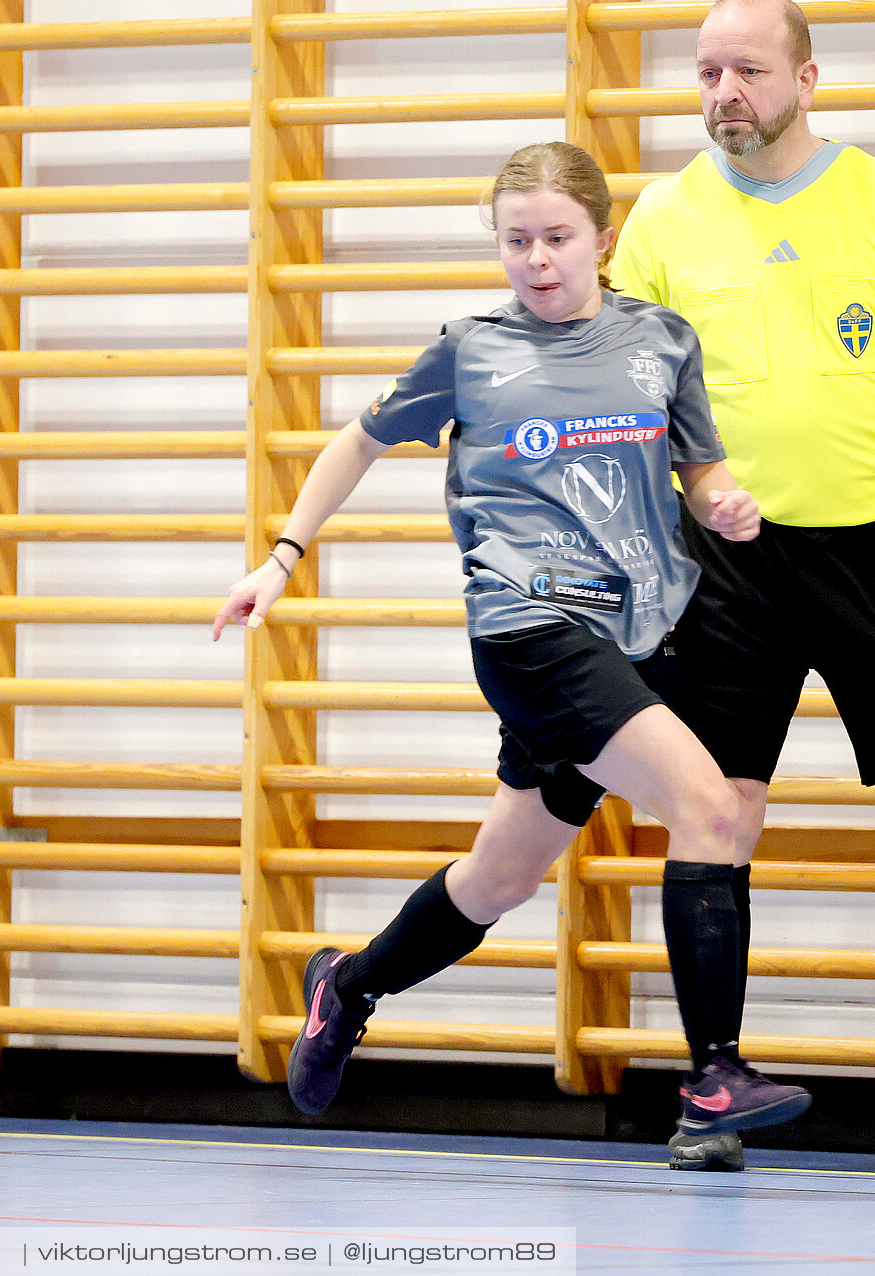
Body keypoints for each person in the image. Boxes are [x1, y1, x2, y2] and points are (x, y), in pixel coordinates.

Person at [211, 140, 813, 1141]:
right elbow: (354, 442)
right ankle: (713, 1080)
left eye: (557, 239)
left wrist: (725, 502)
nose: (536, 259)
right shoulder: (470, 349)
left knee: (500, 878)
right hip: (530, 627)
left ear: (603, 241)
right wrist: (278, 558)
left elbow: (699, 470)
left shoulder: (661, 340)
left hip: (641, 634)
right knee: (713, 810)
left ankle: (347, 985)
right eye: (516, 241)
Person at [610, 0, 874, 1173]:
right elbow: (617, 392)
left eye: (748, 69)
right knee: (715, 814)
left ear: (807, 78)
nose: (723, 89)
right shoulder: (664, 215)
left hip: (868, 546)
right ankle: (712, 1080)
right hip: (724, 563)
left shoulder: (867, 193)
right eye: (707, 69)